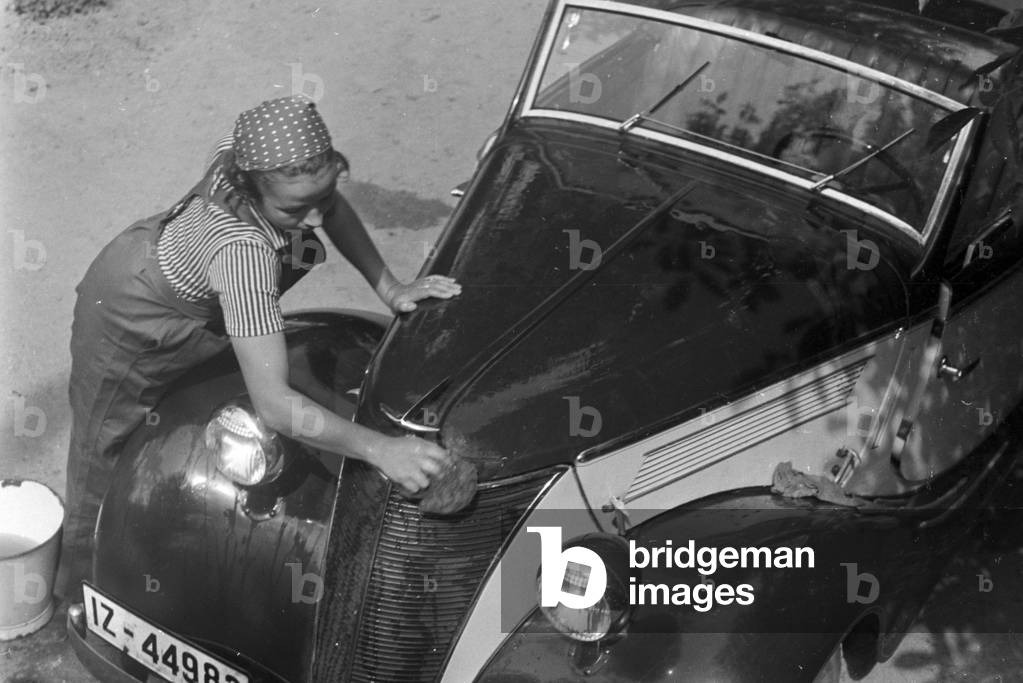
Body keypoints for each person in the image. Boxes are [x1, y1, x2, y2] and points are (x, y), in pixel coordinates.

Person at [58, 96, 461, 599]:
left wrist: (390, 287)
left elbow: (324, 208)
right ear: (248, 186)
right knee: (103, 453)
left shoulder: (247, 154)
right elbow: (273, 405)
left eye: (325, 194)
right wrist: (382, 450)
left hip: (187, 272)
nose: (315, 217)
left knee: (291, 262)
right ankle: (79, 592)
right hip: (132, 315)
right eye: (294, 208)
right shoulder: (244, 254)